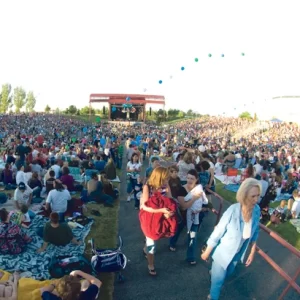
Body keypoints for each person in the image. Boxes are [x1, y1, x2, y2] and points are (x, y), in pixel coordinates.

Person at [201, 178, 261, 300]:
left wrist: (252, 251)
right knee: (218, 282)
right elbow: (218, 232)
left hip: (237, 254)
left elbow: (255, 232)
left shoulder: (256, 210)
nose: (256, 199)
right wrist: (207, 252)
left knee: (227, 274)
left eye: (258, 196)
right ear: (244, 195)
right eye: (253, 196)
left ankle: (214, 273)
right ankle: (212, 296)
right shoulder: (233, 210)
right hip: (223, 253)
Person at [140, 167, 174, 276]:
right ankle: (151, 264)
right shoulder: (148, 187)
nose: (167, 180)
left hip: (160, 216)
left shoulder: (166, 185)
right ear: (159, 177)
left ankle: (146, 247)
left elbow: (170, 200)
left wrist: (170, 212)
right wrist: (160, 210)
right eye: (165, 178)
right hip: (149, 217)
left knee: (155, 236)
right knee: (152, 243)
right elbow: (144, 207)